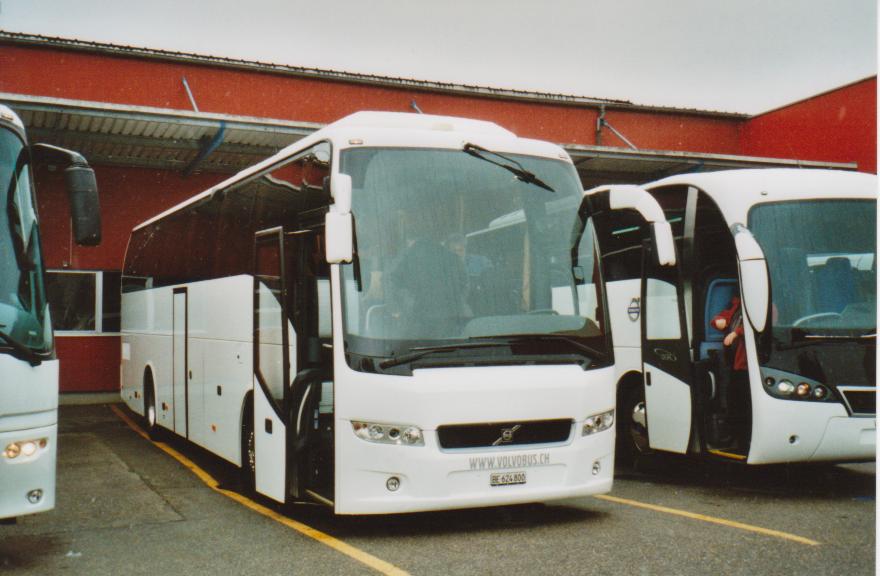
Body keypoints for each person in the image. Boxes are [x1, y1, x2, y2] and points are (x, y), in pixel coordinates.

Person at [709, 294, 747, 446]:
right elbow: (721, 317)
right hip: (733, 364)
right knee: (732, 402)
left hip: (745, 365)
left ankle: (743, 439)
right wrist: (718, 321)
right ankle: (735, 438)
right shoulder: (736, 305)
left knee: (743, 403)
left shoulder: (768, 306)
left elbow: (762, 325)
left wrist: (735, 333)